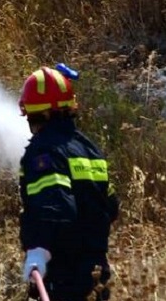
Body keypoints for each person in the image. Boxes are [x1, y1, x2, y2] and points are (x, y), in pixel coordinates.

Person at [18, 64, 119, 300]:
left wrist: (39, 250)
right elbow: (111, 207)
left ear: (41, 115)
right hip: (97, 277)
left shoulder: (44, 151)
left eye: (31, 116)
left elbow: (55, 207)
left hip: (63, 280)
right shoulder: (90, 149)